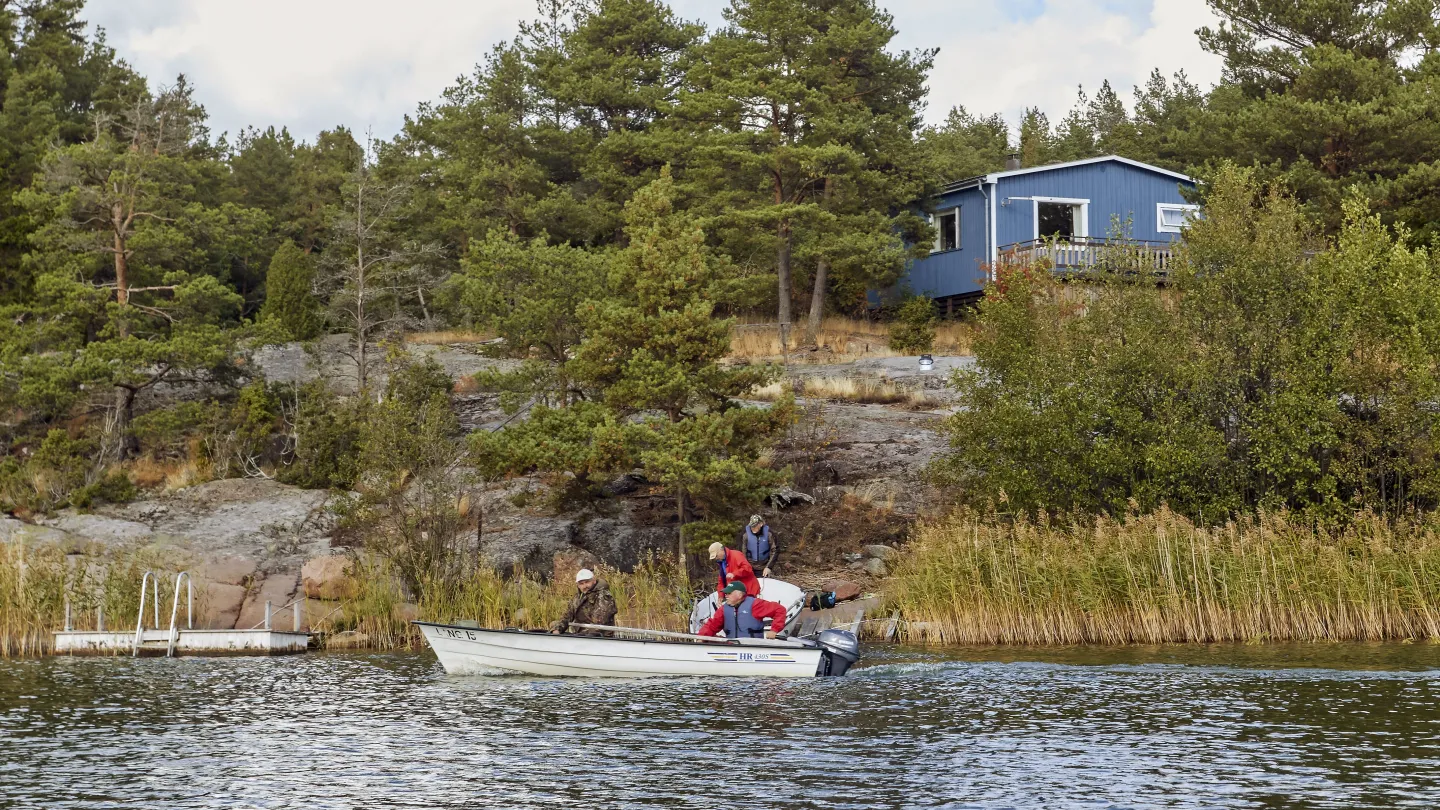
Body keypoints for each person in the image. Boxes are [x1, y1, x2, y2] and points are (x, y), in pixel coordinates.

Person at [698, 583, 788, 639]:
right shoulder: (724, 609)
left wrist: (774, 630)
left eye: (729, 593)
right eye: (726, 593)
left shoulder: (755, 604)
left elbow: (780, 610)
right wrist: (701, 636)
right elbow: (712, 625)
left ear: (740, 595)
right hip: (732, 647)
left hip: (753, 647)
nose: (726, 595)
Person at [550, 568, 617, 636]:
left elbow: (599, 623)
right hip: (582, 637)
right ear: (578, 585)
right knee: (554, 625)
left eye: (587, 582)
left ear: (594, 581)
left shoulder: (604, 597)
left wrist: (580, 635)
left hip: (600, 638)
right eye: (581, 583)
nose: (585, 586)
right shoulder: (578, 598)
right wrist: (557, 629)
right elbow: (567, 616)